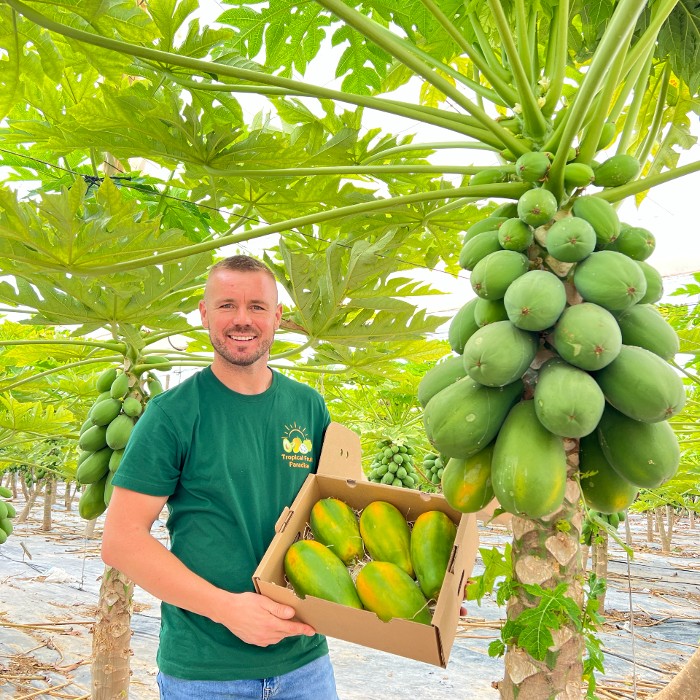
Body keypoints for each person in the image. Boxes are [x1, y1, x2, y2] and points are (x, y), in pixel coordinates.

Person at [102, 254, 337, 699]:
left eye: (257, 306)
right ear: (205, 314)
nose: (242, 320)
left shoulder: (309, 406)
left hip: (306, 663)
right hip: (207, 673)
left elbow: (341, 513)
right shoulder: (171, 414)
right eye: (227, 305)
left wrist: (422, 590)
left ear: (278, 317)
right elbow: (121, 539)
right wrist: (228, 609)